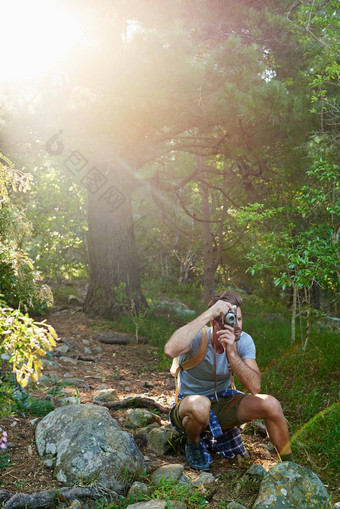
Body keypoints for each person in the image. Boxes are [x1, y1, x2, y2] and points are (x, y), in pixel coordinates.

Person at [164, 290, 293, 471]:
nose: (236, 325)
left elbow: (255, 387)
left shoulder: (243, 341)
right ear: (214, 323)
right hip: (190, 407)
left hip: (222, 402)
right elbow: (170, 350)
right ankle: (193, 444)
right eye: (230, 320)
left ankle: (289, 466)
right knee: (200, 405)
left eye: (239, 319)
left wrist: (232, 353)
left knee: (271, 404)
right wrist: (209, 313)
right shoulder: (198, 338)